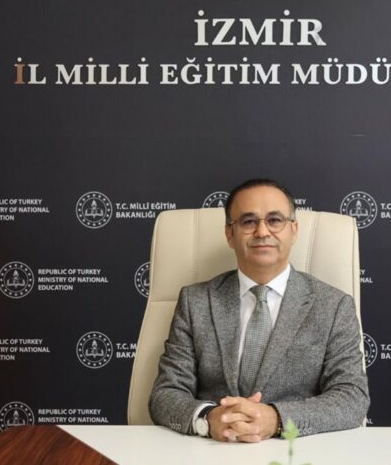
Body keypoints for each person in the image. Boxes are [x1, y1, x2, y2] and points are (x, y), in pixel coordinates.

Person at [149, 179, 369, 442]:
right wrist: (208, 419)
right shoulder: (195, 301)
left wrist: (276, 420)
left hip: (296, 452)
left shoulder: (333, 306)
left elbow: (352, 397)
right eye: (248, 221)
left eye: (275, 220)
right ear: (230, 234)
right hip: (211, 449)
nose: (262, 232)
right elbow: (166, 394)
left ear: (294, 231)